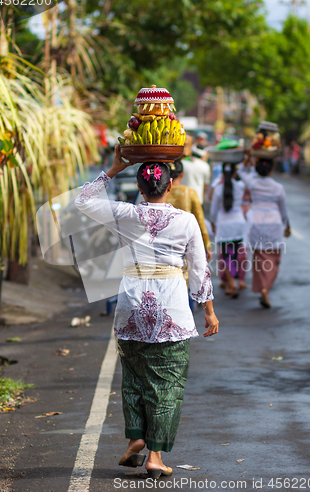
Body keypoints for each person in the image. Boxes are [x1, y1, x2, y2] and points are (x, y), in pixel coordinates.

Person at [75, 145, 219, 479]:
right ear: (171, 186)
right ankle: (154, 455)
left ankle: (135, 437)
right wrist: (209, 312)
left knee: (135, 378)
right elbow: (200, 270)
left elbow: (81, 201)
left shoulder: (125, 213)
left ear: (140, 188)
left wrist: (112, 169)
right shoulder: (186, 221)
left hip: (131, 306)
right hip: (170, 307)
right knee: (167, 383)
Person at [238, 155, 291, 308]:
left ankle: (262, 288)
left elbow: (240, 171)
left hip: (256, 222)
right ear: (272, 169)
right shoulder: (278, 187)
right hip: (274, 222)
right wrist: (287, 225)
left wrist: (248, 158)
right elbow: (283, 209)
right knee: (274, 259)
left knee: (260, 260)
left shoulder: (252, 183)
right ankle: (266, 288)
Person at [209, 163, 247, 297]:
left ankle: (232, 283)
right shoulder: (240, 186)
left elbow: (213, 210)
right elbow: (246, 179)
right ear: (235, 173)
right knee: (235, 255)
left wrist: (213, 222)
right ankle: (233, 282)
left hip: (224, 225)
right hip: (238, 223)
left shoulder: (219, 189)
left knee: (226, 256)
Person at [167, 160, 212, 261]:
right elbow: (200, 221)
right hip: (185, 242)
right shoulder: (190, 192)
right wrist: (207, 246)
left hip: (164, 242)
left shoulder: (161, 192)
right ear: (182, 174)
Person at [181, 136, 211, 205]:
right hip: (198, 199)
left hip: (183, 198)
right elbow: (205, 185)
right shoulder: (205, 166)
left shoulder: (183, 163)